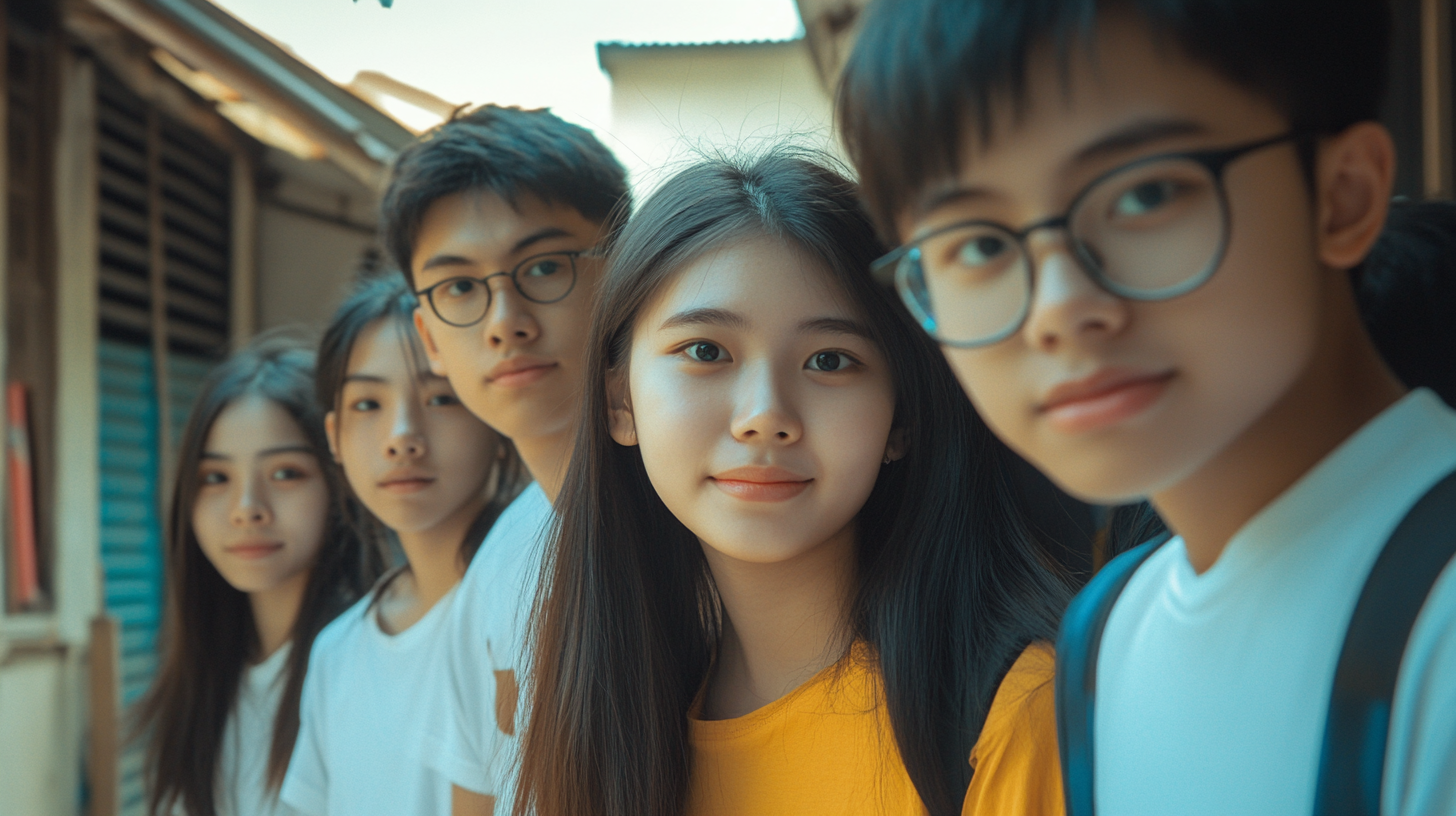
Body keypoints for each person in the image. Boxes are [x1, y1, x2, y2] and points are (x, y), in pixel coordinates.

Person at [837, 1, 1456, 814]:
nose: (1058, 306)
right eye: (979, 245)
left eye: (1143, 196)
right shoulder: (1107, 637)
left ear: (1342, 196)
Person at [513, 149, 1071, 816]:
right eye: (705, 352)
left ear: (902, 418)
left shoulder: (1007, 716)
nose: (765, 416)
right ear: (619, 401)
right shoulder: (610, 725)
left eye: (829, 360)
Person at [379, 103, 633, 813]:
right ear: (430, 338)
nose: (505, 323)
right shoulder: (500, 564)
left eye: (544, 266)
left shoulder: (722, 517)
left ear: (626, 271)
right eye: (460, 286)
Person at [278, 274, 523, 816]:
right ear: (334, 436)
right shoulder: (337, 653)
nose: (402, 435)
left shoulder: (532, 610)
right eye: (368, 404)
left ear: (494, 418)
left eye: (440, 396)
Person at [137, 335, 384, 816]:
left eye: (285, 473)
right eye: (216, 478)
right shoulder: (205, 674)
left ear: (339, 483)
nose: (246, 509)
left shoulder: (366, 666)